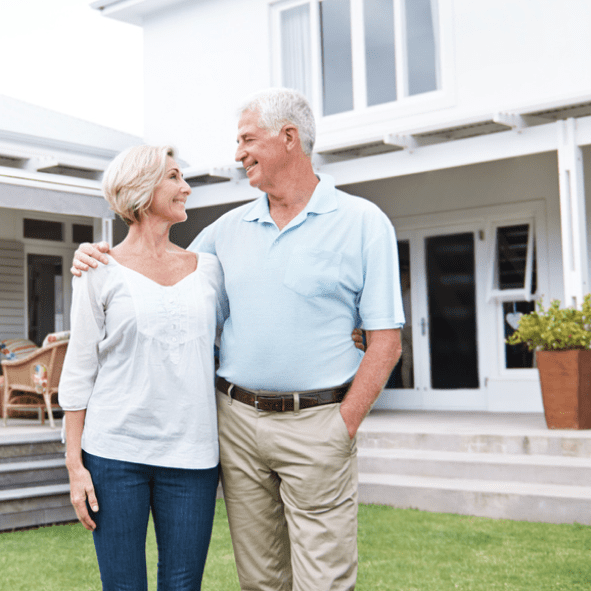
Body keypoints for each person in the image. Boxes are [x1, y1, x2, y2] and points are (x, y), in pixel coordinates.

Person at [73, 88, 404, 591]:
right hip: (236, 428)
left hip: (318, 424)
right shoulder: (223, 236)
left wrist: (342, 423)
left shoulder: (363, 223)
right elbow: (157, 274)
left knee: (325, 580)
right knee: (260, 581)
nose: (237, 154)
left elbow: (386, 340)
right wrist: (92, 257)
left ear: (288, 138)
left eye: (247, 139)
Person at [60, 145, 225, 591]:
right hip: (114, 457)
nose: (186, 187)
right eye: (174, 177)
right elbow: (79, 371)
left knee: (183, 586)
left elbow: (236, 342)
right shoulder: (98, 269)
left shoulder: (208, 269)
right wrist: (75, 466)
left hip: (192, 457)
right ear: (140, 187)